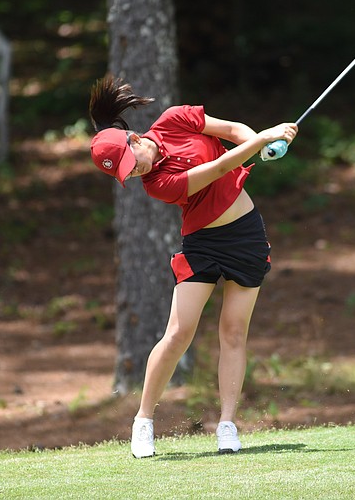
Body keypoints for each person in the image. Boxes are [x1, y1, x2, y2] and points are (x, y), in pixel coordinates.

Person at [88, 75, 297, 458]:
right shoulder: (156, 183)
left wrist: (266, 143)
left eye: (132, 165)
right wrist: (262, 140)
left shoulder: (175, 118)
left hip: (246, 236)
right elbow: (217, 170)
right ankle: (144, 421)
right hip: (202, 243)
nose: (135, 174)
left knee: (234, 332)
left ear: (134, 140)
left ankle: (228, 425)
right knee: (180, 331)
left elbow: (232, 131)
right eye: (127, 175)